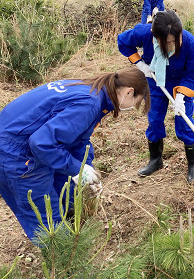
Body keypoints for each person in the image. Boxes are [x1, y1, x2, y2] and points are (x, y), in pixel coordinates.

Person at [0, 68, 150, 241]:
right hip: (16, 154)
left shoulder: (93, 90)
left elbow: (77, 140)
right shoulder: (88, 103)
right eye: (136, 102)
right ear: (129, 91)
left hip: (24, 142)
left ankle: (70, 237)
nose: (132, 107)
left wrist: (87, 170)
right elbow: (42, 143)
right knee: (48, 222)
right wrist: (76, 169)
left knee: (66, 191)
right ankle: (64, 262)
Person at [118, 10, 194, 181]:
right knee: (155, 119)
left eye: (174, 40)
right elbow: (123, 42)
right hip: (155, 81)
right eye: (167, 42)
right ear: (155, 37)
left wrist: (181, 97)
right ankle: (155, 160)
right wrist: (140, 64)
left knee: (184, 121)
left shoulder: (190, 42)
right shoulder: (143, 33)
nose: (171, 44)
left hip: (180, 84)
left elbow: (193, 74)